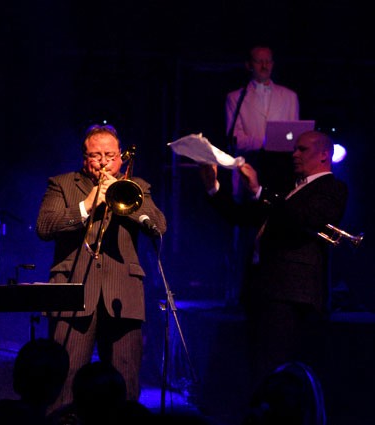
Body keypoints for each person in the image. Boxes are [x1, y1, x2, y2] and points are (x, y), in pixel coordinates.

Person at [198, 130, 348, 390]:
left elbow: (305, 219)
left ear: (324, 155)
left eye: (302, 149)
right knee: (259, 365)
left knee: (273, 367)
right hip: (265, 290)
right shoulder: (290, 190)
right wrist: (213, 187)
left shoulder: (332, 188)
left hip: (292, 294)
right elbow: (241, 216)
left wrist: (259, 191)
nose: (295, 154)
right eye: (295, 149)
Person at [36, 124, 167, 411]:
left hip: (123, 296)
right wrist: (86, 205)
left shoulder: (138, 186)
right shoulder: (62, 184)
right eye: (96, 156)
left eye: (110, 155)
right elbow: (44, 227)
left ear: (121, 157)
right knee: (65, 381)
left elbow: (159, 226)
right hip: (73, 293)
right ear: (85, 158)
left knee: (125, 383)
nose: (104, 162)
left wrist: (126, 202)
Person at [225, 46, 300, 304]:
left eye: (268, 61)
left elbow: (294, 136)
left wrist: (277, 141)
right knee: (245, 230)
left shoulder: (289, 96)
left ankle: (274, 291)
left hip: (280, 172)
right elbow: (236, 138)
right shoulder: (236, 97)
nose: (265, 66)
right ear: (249, 65)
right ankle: (238, 294)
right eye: (259, 61)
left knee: (275, 228)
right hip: (250, 167)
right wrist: (267, 140)